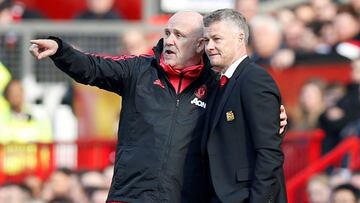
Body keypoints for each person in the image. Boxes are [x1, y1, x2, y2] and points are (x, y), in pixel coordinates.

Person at [29, 11, 287, 202]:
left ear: (200, 44)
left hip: (186, 197)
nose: (169, 41)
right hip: (131, 194)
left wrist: (277, 120)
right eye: (167, 33)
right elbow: (93, 68)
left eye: (179, 35)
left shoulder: (217, 83)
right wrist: (62, 51)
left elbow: (244, 127)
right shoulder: (139, 69)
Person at [202, 9, 287, 202]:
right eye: (206, 41)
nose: (209, 47)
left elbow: (269, 152)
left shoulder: (255, 79)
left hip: (245, 196)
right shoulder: (218, 82)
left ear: (240, 38)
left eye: (216, 39)